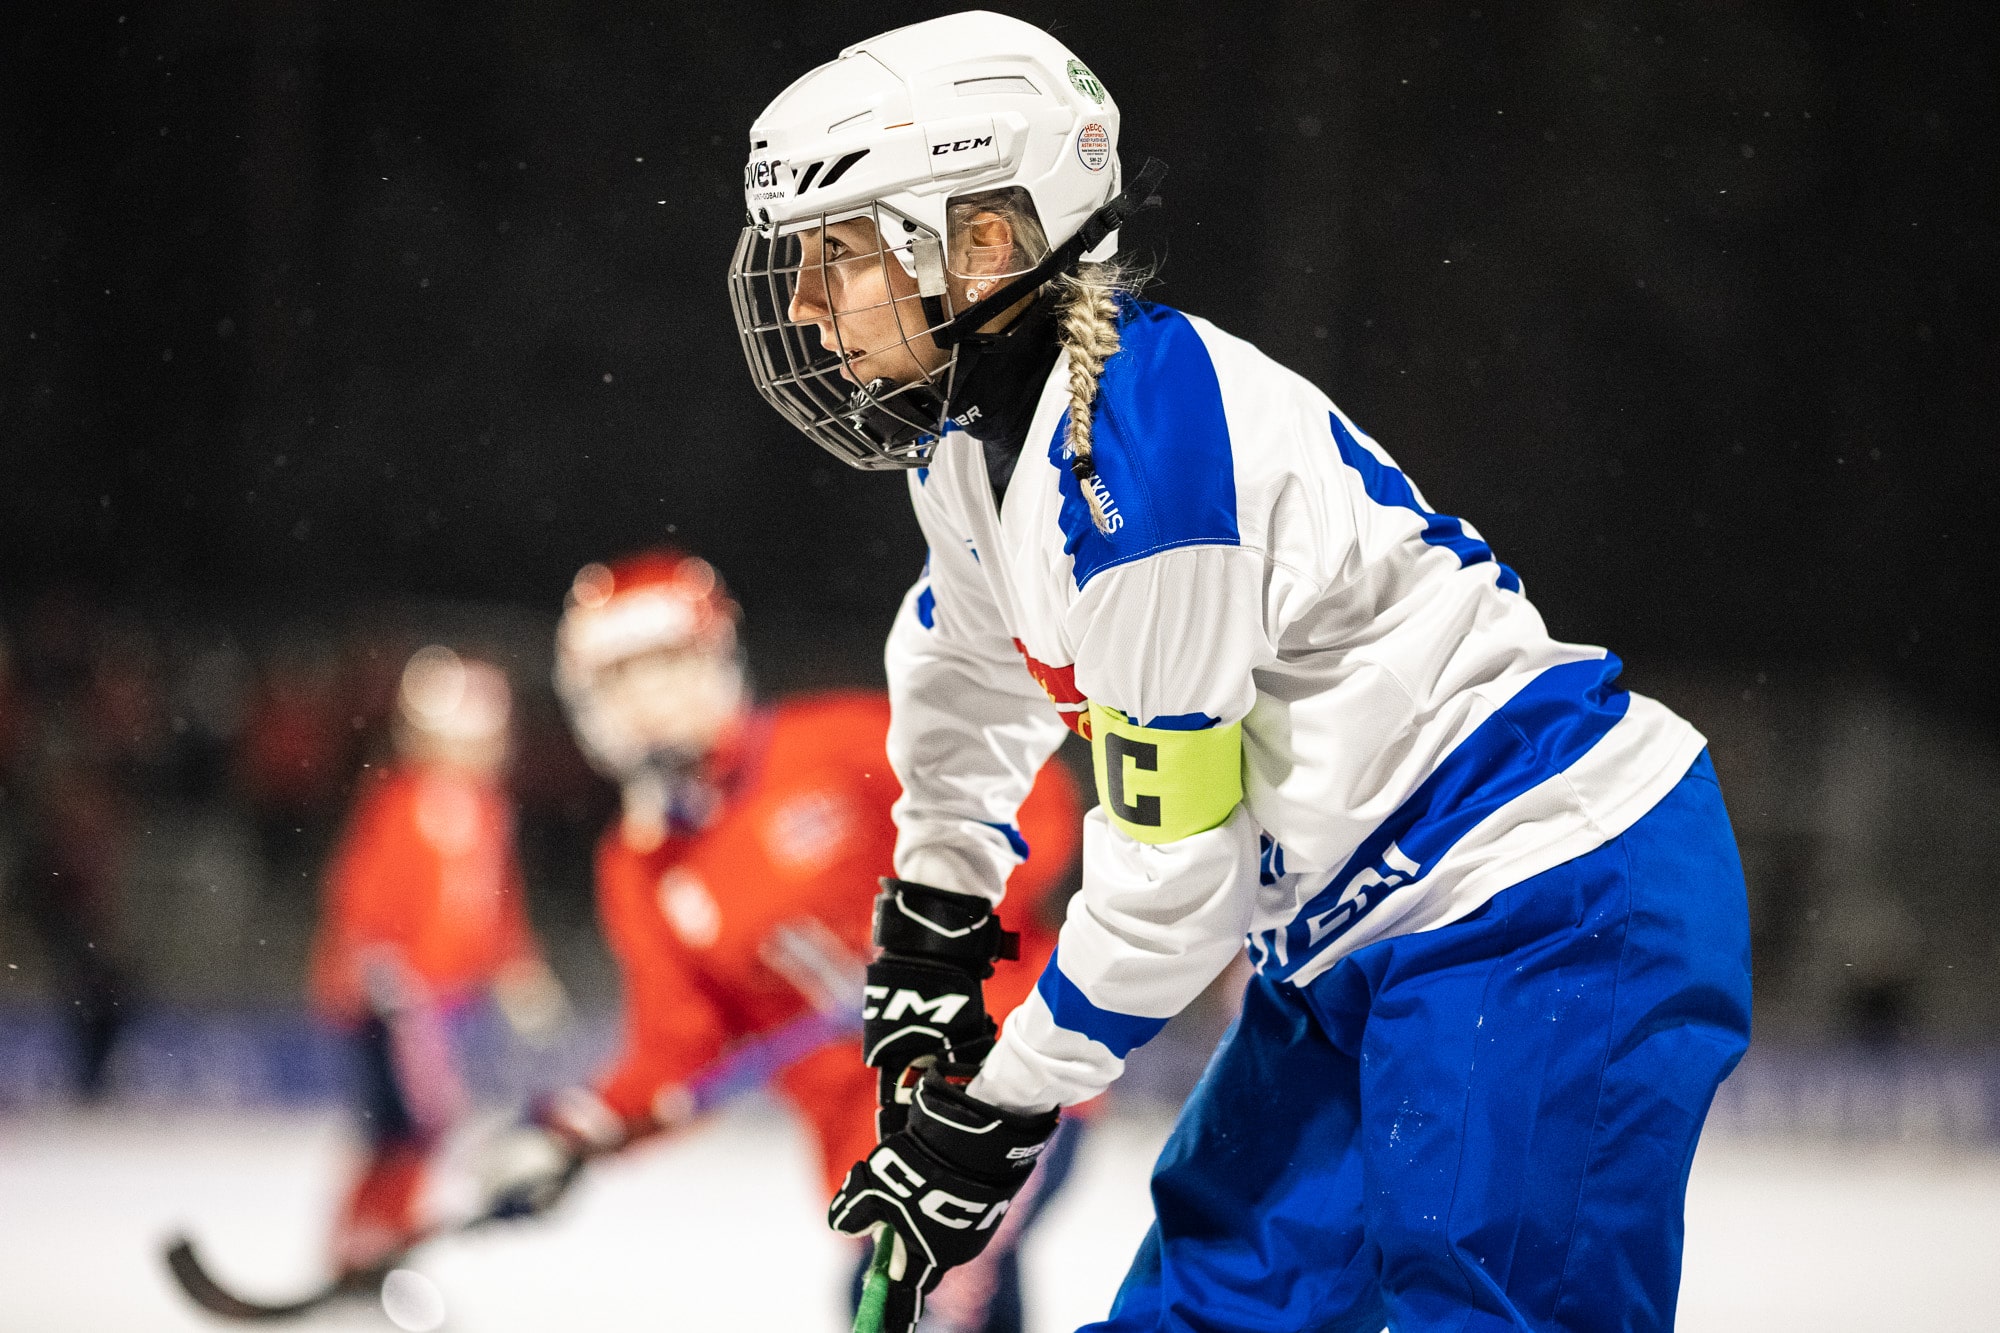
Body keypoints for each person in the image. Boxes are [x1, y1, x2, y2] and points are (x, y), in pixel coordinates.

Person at [729, 12, 1753, 1332]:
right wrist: (935, 920)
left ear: (984, 243)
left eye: (843, 253)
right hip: (1345, 930)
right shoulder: (974, 446)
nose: (806, 303)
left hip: (1537, 893)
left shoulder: (1141, 472)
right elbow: (963, 675)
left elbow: (1173, 880)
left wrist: (1003, 1106)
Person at [474, 549, 1087, 1333]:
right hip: (869, 1146)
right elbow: (680, 1049)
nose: (649, 697)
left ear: (718, 658)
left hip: (1000, 1073)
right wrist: (572, 1130)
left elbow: (1035, 801)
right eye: (620, 678)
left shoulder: (835, 742)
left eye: (668, 664)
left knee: (908, 1296)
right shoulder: (638, 863)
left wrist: (930, 935)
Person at [307, 645, 566, 1272]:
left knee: (420, 1130)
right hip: (389, 1001)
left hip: (443, 1002)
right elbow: (361, 896)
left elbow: (499, 905)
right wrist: (381, 971)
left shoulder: (486, 809)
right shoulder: (402, 802)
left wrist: (519, 968)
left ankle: (381, 1241)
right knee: (401, 1130)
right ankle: (367, 1240)